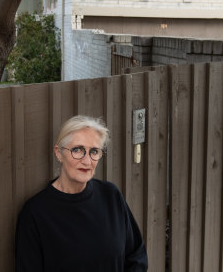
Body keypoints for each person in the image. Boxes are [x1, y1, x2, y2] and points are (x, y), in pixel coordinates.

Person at [15, 115, 148, 271]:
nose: (87, 161)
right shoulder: (35, 213)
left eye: (94, 151)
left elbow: (136, 257)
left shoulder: (111, 196)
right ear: (59, 153)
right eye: (77, 150)